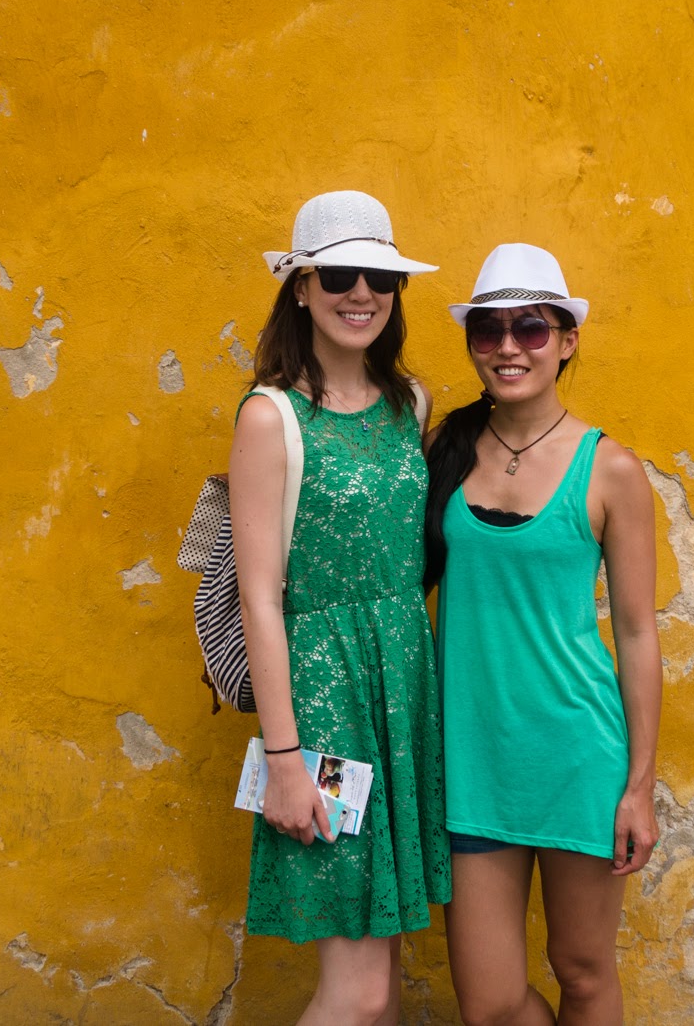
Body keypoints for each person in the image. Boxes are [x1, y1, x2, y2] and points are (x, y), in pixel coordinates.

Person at [229, 190, 453, 1026]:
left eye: (382, 277)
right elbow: (261, 596)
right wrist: (285, 757)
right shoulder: (272, 416)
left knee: (385, 981)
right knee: (355, 993)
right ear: (301, 287)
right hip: (325, 708)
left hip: (403, 694)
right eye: (341, 275)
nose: (362, 293)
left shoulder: (410, 405)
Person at [426, 243, 662, 1026]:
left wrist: (639, 785)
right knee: (489, 1000)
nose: (507, 347)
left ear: (566, 341)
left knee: (584, 971)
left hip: (576, 756)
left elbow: (634, 632)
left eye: (531, 328)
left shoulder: (612, 470)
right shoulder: (446, 452)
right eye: (488, 330)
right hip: (473, 759)